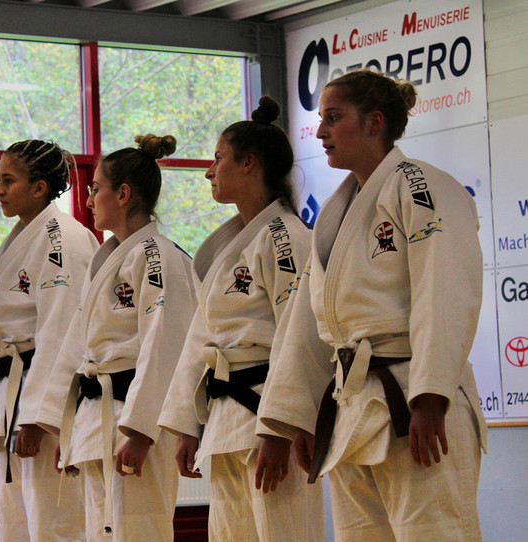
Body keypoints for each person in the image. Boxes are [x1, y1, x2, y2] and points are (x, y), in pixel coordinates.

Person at [257, 69, 487, 542]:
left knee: (436, 533)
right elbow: (307, 322)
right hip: (351, 408)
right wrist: (295, 414)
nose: (320, 132)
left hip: (413, 402)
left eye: (334, 118)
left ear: (374, 122)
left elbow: (444, 290)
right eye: (321, 120)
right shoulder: (333, 216)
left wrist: (430, 394)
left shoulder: (422, 187)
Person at [157, 97, 323, 541]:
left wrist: (281, 428)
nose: (209, 171)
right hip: (226, 418)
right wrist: (187, 425)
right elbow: (200, 339)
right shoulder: (231, 246)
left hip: (268, 419)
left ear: (248, 164)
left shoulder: (286, 238)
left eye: (217, 159)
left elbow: (301, 336)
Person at [35, 134, 197, 541]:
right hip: (96, 417)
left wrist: (141, 430)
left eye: (95, 190)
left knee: (138, 532)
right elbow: (78, 346)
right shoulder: (107, 259)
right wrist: (65, 426)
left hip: (134, 422)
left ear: (123, 194)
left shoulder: (158, 256)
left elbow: (166, 343)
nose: (88, 200)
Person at [0, 140, 97, 542]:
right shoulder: (22, 238)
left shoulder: (65, 241)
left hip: (44, 408)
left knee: (55, 525)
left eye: (8, 180)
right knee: (15, 526)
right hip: (8, 398)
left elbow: (62, 334)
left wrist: (39, 418)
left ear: (39, 188)